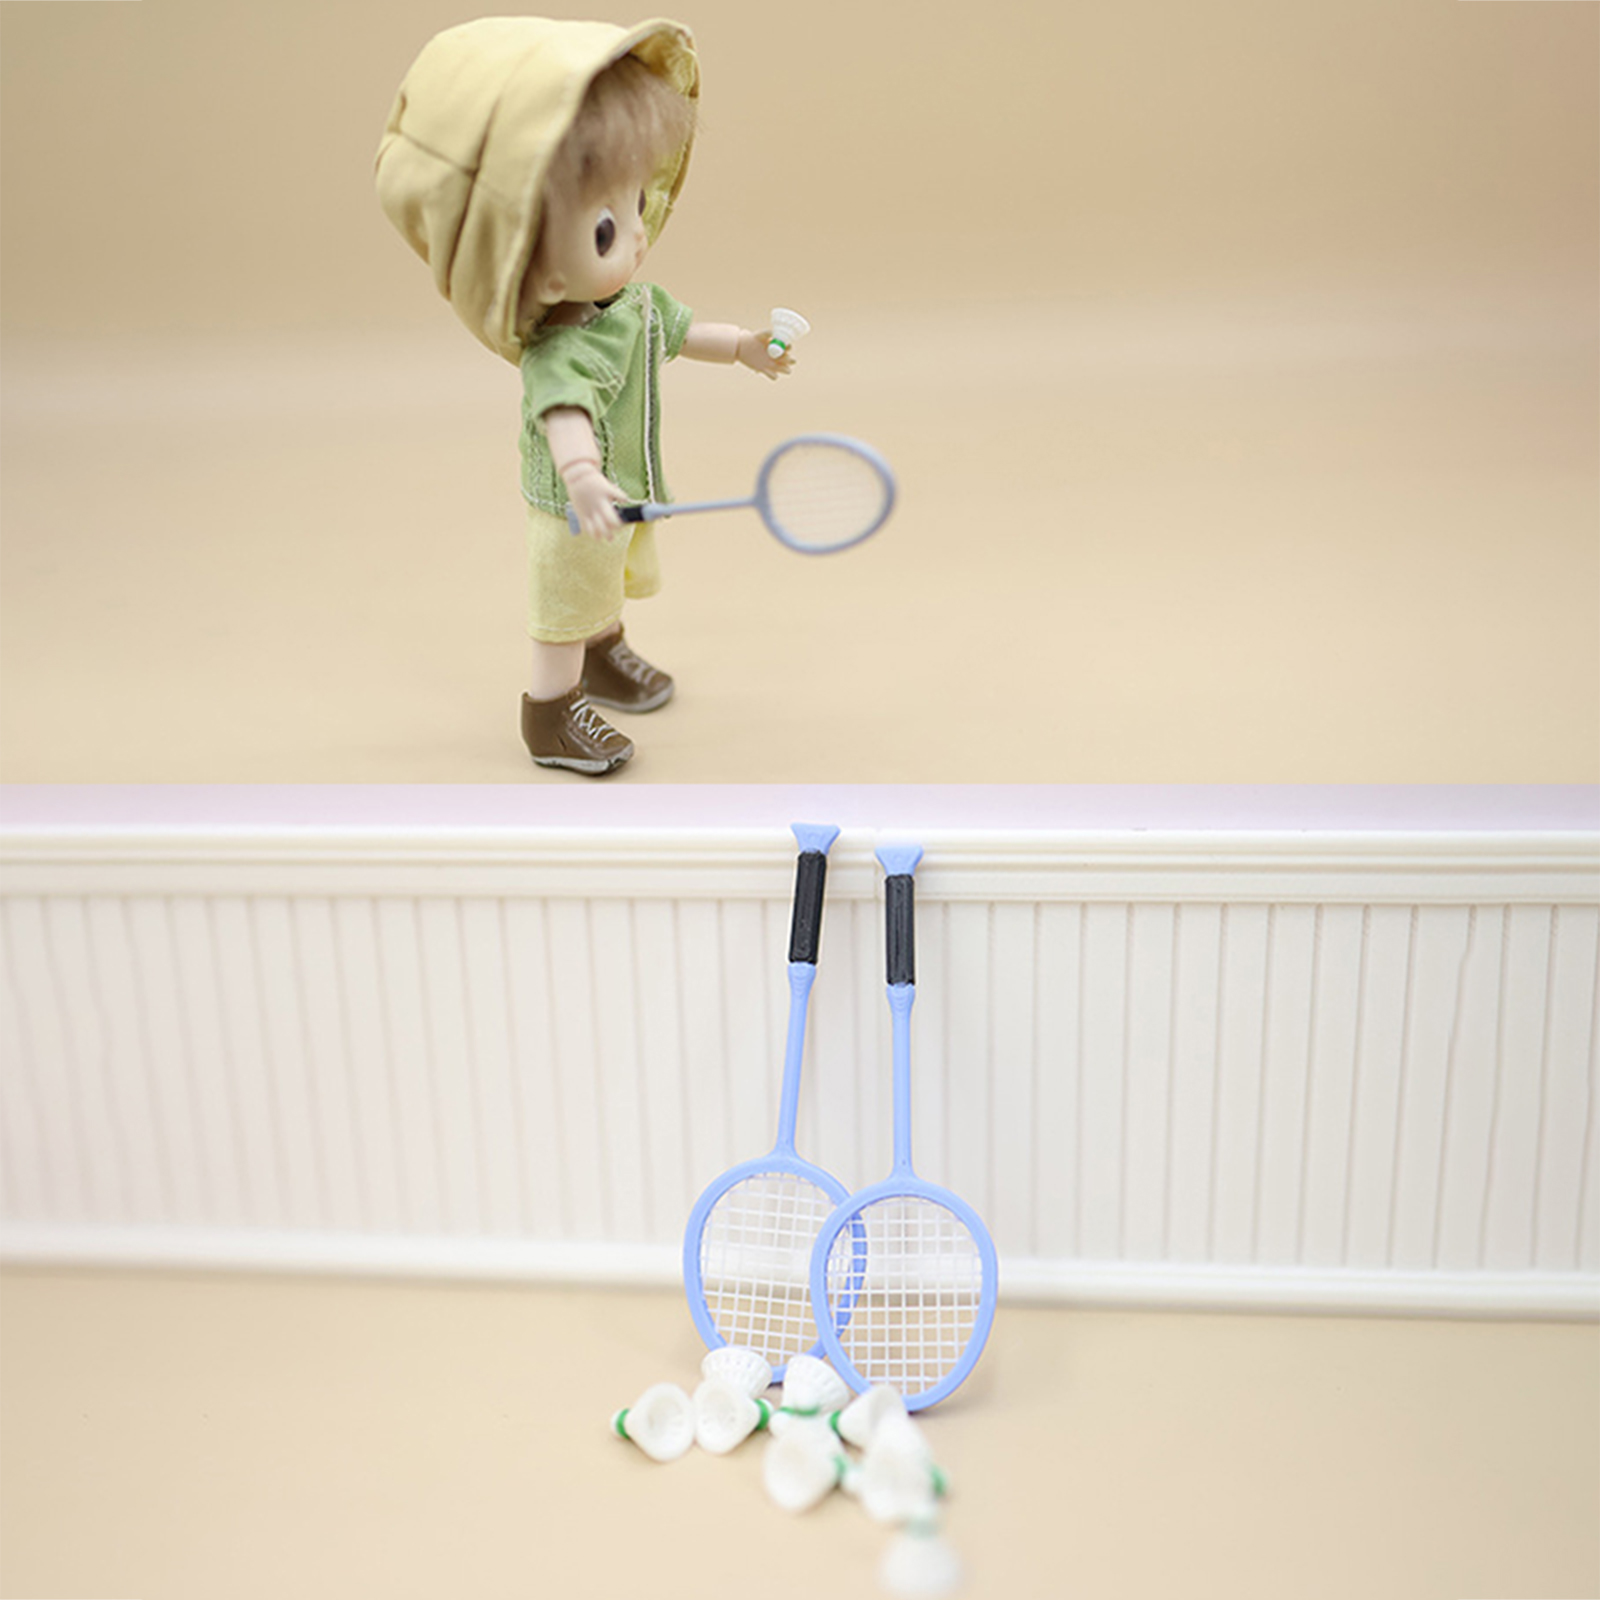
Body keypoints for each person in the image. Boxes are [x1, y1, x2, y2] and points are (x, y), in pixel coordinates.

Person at [377, 17, 795, 774]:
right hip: (577, 505)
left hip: (619, 491)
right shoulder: (561, 348)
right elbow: (563, 412)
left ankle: (603, 657)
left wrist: (743, 347)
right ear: (528, 265)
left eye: (636, 204)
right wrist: (580, 476)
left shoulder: (631, 304)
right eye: (605, 229)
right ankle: (551, 712)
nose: (635, 235)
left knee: (606, 585)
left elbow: (681, 331)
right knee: (565, 605)